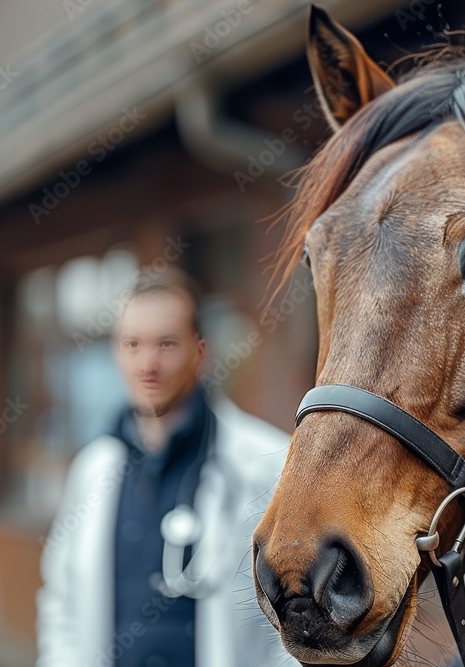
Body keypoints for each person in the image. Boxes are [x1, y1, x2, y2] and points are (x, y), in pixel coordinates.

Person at [36, 267, 293, 667]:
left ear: (201, 353)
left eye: (166, 344)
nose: (147, 364)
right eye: (132, 344)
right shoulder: (92, 469)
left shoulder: (267, 464)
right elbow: (62, 602)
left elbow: (296, 619)